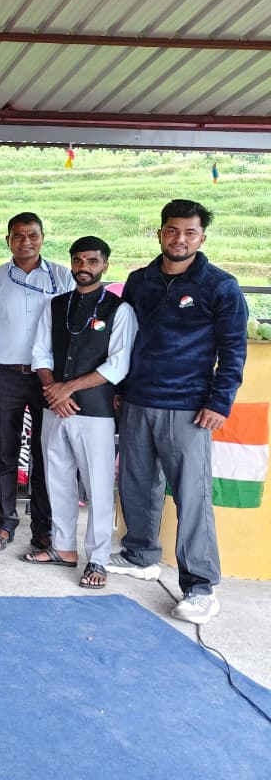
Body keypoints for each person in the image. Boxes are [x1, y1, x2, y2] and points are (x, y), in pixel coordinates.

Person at [110, 200, 247, 624]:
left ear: (201, 237)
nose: (179, 239)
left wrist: (219, 402)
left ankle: (201, 586)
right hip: (138, 400)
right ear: (160, 234)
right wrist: (121, 389)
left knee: (191, 495)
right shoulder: (139, 281)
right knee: (136, 483)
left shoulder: (220, 286)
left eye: (189, 232)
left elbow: (233, 350)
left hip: (188, 407)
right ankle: (140, 555)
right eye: (172, 230)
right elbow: (126, 340)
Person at [23, 236, 137, 587]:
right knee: (57, 480)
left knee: (97, 486)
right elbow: (40, 353)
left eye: (92, 261)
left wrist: (67, 389)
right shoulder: (56, 305)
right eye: (78, 260)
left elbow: (117, 365)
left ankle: (98, 559)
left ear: (105, 265)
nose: (83, 267)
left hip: (94, 412)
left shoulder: (120, 310)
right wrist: (53, 390)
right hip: (55, 408)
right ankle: (64, 548)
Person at [0, 213, 74, 552]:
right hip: (4, 375)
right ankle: (5, 523)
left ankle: (43, 527)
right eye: (18, 236)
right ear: (8, 240)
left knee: (46, 454)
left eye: (32, 235)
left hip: (48, 380)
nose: (25, 242)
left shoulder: (63, 277)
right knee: (6, 454)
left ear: (43, 237)